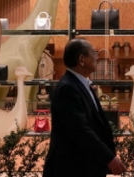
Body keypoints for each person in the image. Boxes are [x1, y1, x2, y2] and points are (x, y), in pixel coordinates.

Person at [43, 39, 126, 177]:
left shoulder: (81, 84)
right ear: (82, 59)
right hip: (72, 169)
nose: (97, 57)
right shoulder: (67, 88)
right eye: (93, 53)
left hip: (85, 167)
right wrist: (109, 158)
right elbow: (80, 130)